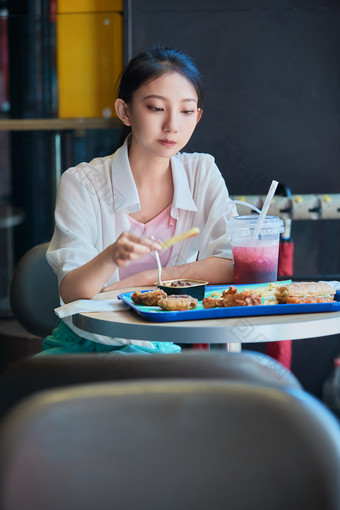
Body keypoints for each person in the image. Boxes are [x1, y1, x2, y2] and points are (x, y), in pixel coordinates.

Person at [41, 45, 237, 355]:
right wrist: (111, 256)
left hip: (156, 344)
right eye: (156, 108)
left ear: (197, 116)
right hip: (86, 341)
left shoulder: (202, 172)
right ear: (125, 111)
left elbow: (232, 263)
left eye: (186, 111)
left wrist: (150, 279)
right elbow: (73, 291)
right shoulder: (81, 183)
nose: (173, 124)